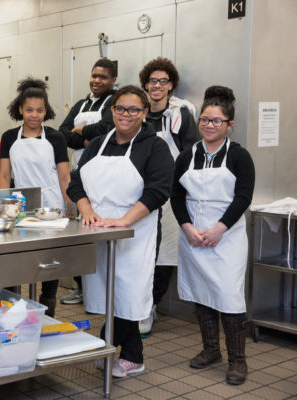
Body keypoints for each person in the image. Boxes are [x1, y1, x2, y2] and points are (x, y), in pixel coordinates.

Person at [67, 85, 174, 377]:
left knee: (129, 291)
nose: (126, 115)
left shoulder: (155, 146)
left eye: (134, 109)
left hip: (135, 232)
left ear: (144, 112)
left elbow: (158, 191)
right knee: (107, 291)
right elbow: (75, 182)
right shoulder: (97, 144)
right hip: (99, 229)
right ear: (112, 111)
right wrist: (86, 209)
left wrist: (124, 220)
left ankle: (113, 345)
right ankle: (130, 354)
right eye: (120, 108)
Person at [171, 86, 255, 385]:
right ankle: (210, 350)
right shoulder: (186, 156)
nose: (209, 125)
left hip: (227, 237)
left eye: (217, 121)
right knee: (201, 291)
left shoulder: (239, 156)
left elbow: (243, 197)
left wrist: (220, 228)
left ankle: (237, 361)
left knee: (229, 296)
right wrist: (187, 227)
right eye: (205, 119)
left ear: (229, 124)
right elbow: (176, 196)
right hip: (193, 234)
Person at [137, 57, 200, 337]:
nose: (157, 85)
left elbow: (190, 152)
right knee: (142, 250)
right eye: (153, 80)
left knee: (165, 252)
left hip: (171, 191)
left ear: (171, 85)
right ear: (146, 84)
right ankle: (136, 303)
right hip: (140, 191)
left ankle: (151, 305)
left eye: (163, 81)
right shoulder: (137, 112)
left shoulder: (180, 115)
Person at [0, 77, 71, 317]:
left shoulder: (56, 137)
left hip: (52, 207)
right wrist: (2, 207)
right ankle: (12, 311)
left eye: (40, 110)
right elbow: (5, 175)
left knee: (49, 262)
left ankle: (47, 310)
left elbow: (63, 177)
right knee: (16, 260)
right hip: (19, 205)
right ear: (20, 109)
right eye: (29, 110)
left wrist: (70, 208)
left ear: (46, 111)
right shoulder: (9, 137)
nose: (34, 115)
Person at [58, 58, 117, 306]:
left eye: (102, 77)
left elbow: (107, 128)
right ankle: (81, 288)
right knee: (77, 232)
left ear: (113, 80)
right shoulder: (82, 103)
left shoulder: (114, 102)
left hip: (102, 175)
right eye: (94, 75)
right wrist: (85, 139)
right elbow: (62, 131)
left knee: (96, 229)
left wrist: (81, 131)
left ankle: (103, 289)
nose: (96, 80)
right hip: (77, 172)